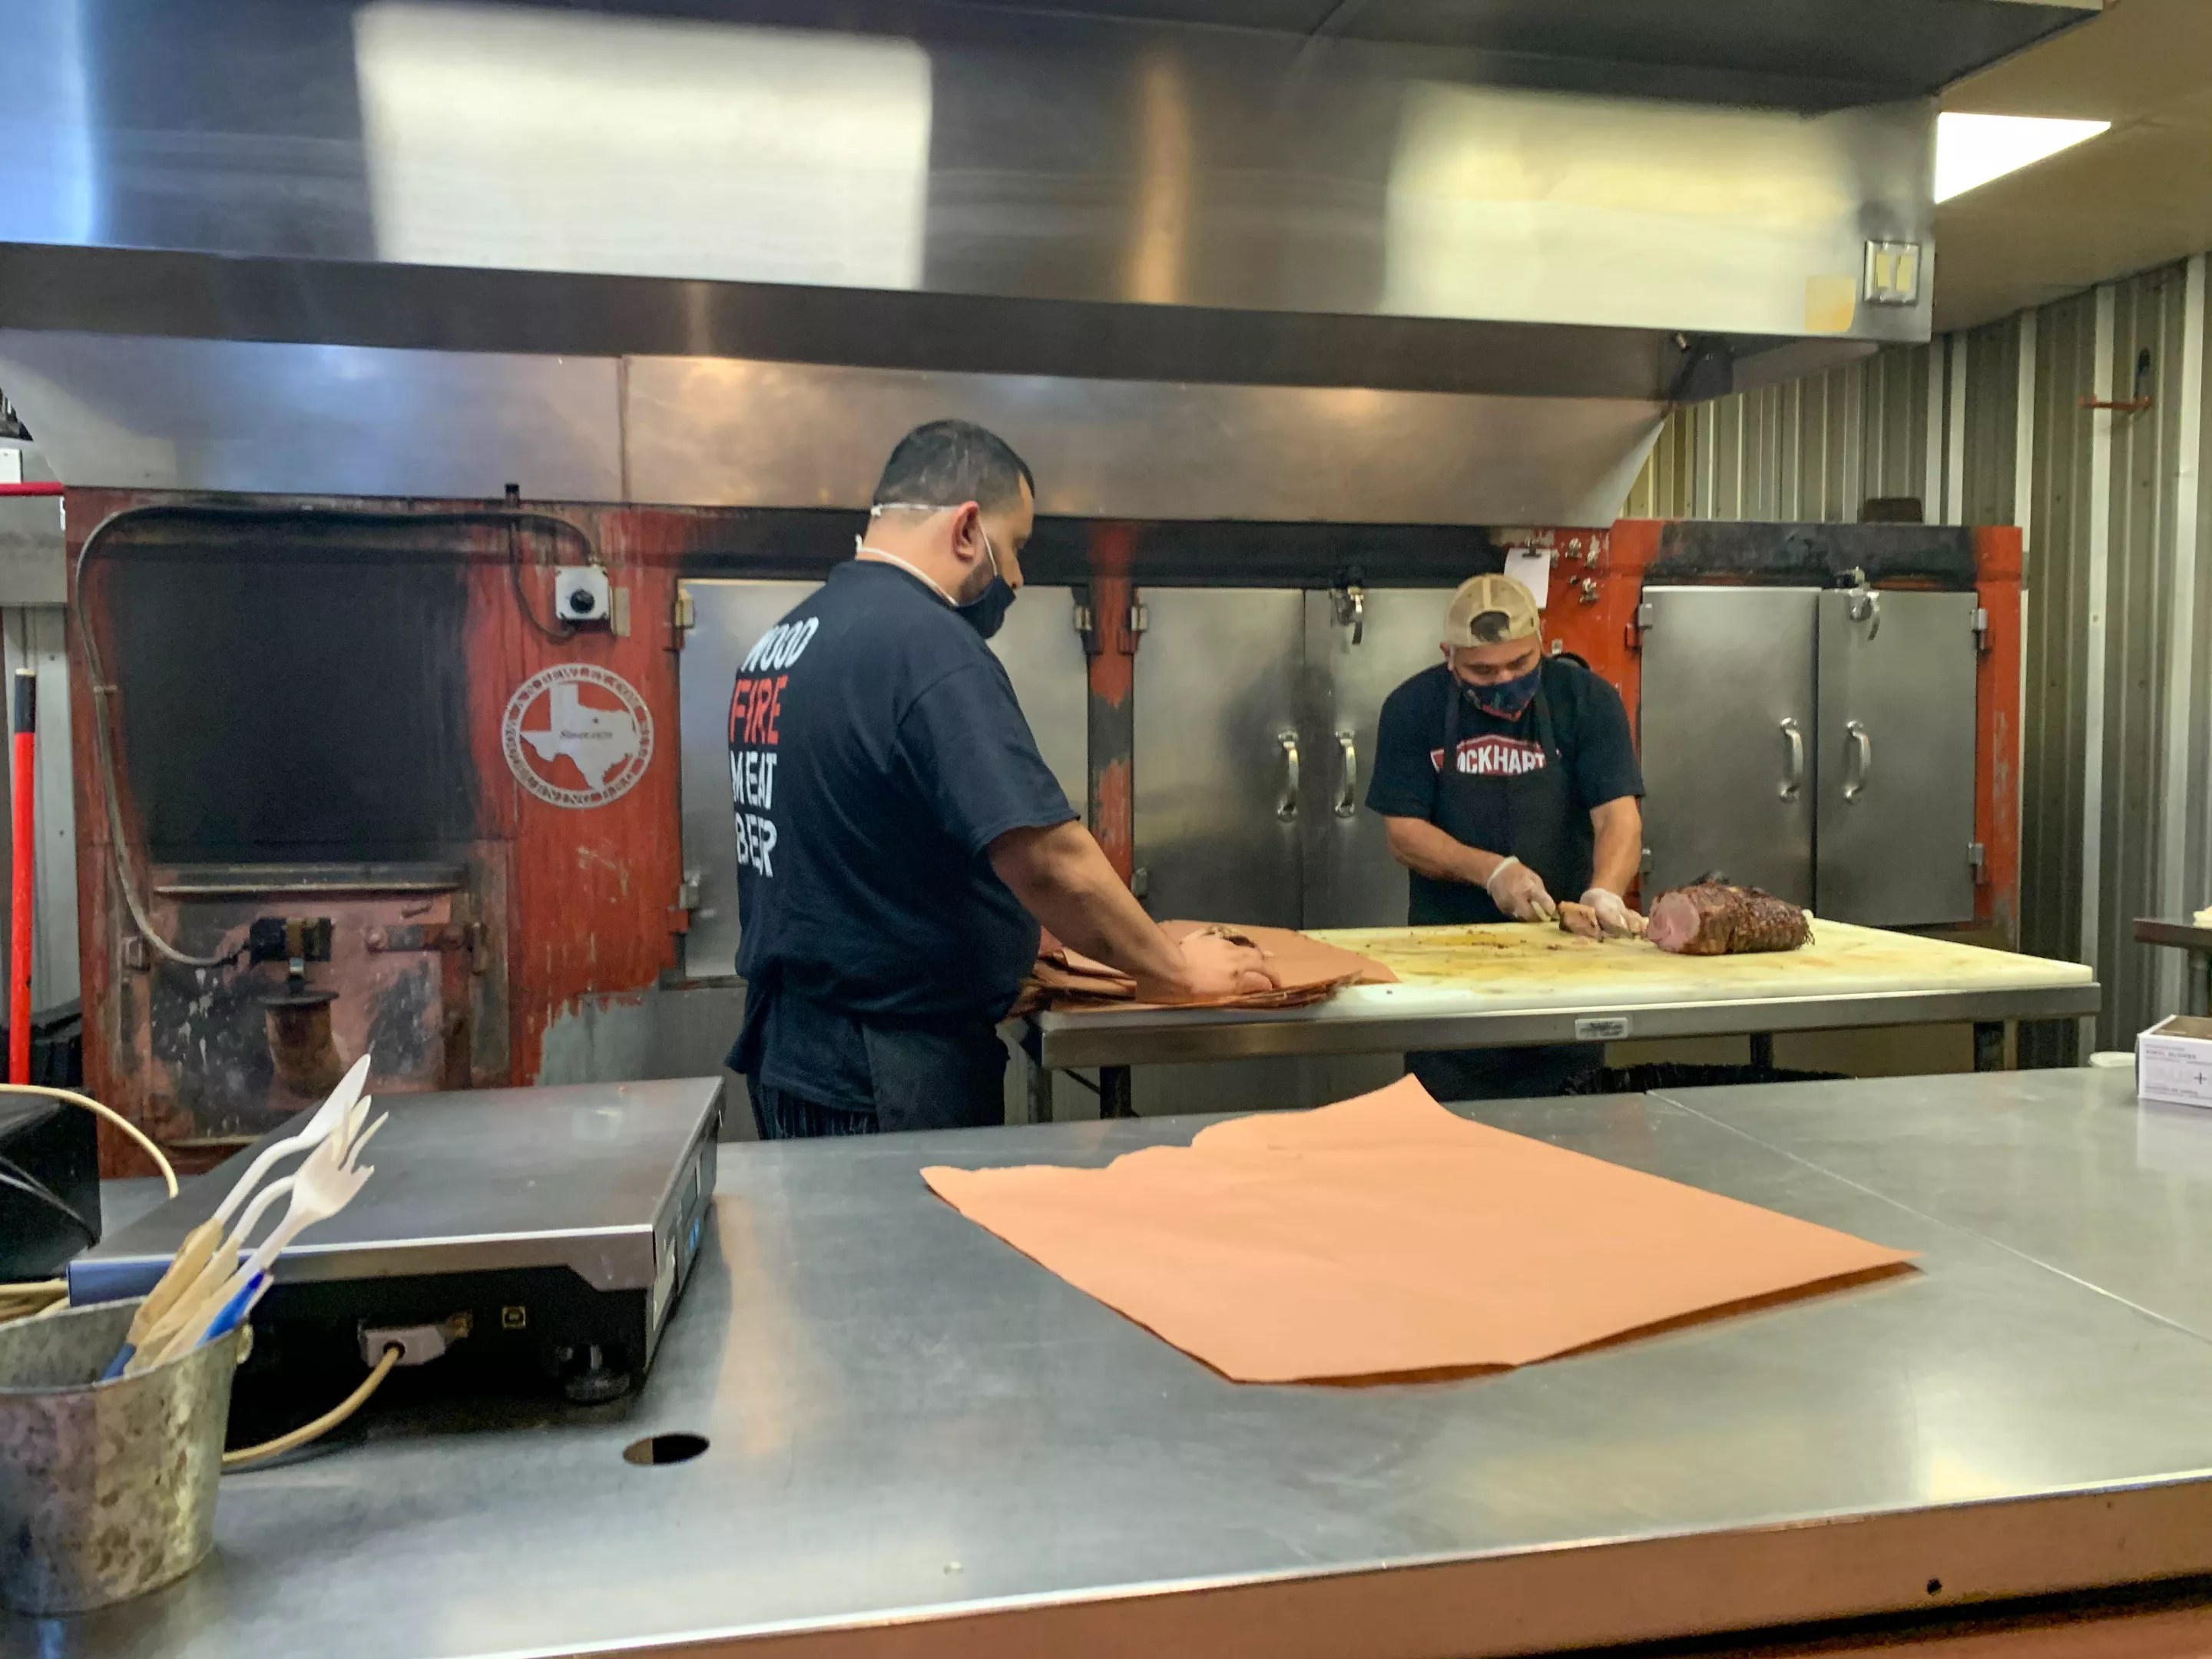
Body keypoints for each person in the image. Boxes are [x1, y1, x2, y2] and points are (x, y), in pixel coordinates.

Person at [726, 419, 1275, 1138]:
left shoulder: (788, 639)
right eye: (1015, 546)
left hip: (798, 1056)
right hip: (887, 1074)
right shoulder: (926, 644)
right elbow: (1049, 861)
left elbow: (855, 844)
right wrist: (1176, 972)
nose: (1016, 577)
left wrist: (998, 936)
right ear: (965, 528)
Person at [1365, 573, 1645, 1100]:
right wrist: (1491, 871)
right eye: (1483, 670)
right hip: (1447, 966)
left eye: (1520, 663)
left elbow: (1618, 817)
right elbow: (1403, 832)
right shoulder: (1413, 707)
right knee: (1450, 1129)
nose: (1505, 680)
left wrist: (1605, 890)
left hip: (1567, 964)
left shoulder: (1586, 700)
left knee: (1570, 1118)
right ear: (1449, 656)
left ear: (1541, 640)